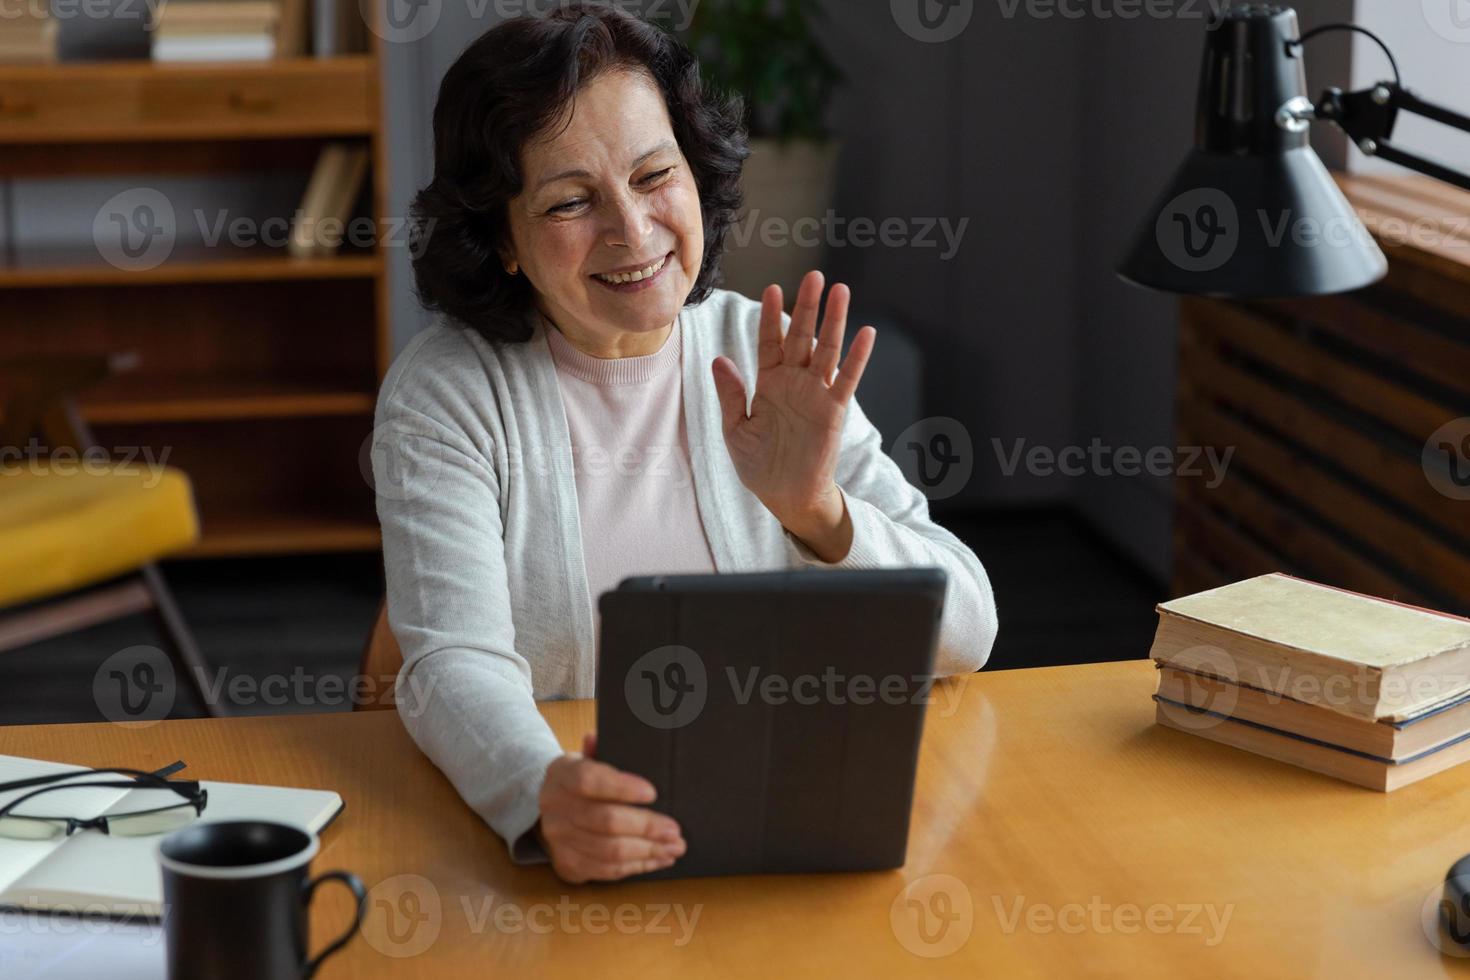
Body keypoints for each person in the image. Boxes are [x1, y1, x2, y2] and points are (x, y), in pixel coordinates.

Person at [372, 1, 999, 885]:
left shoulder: (768, 355)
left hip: (776, 822)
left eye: (653, 174)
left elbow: (969, 630)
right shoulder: (448, 394)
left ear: (695, 175)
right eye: (570, 201)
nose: (631, 231)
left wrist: (818, 514)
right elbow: (452, 662)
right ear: (502, 240)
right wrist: (542, 789)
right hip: (579, 832)